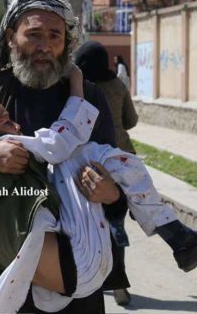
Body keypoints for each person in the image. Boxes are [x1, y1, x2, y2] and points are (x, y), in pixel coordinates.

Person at [0, 0, 197, 314]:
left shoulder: (89, 98)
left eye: (54, 35)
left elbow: (112, 180)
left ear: (66, 43)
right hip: (7, 270)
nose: (44, 45)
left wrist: (111, 194)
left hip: (77, 265)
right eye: (34, 34)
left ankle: (179, 238)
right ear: (12, 37)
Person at [74, 41, 138, 306]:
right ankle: (119, 280)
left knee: (86, 227)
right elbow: (131, 121)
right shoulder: (117, 85)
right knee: (116, 224)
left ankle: (91, 279)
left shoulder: (76, 87)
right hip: (120, 160)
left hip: (85, 163)